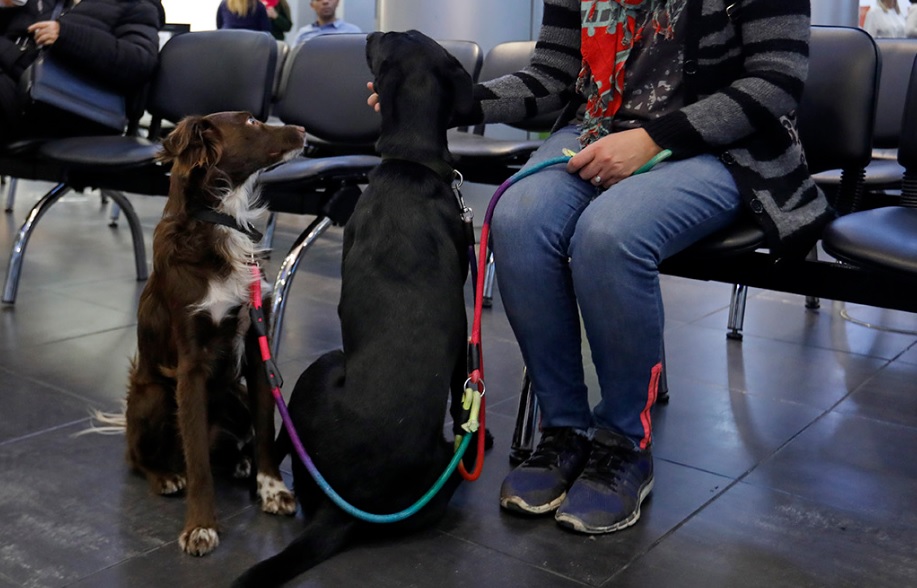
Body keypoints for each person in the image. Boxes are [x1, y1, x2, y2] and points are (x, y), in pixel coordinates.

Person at [368, 0, 830, 535]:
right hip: (599, 126)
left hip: (723, 148)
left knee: (609, 235)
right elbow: (552, 75)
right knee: (517, 219)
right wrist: (445, 101)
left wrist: (654, 138)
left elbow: (776, 82)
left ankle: (623, 444)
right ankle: (562, 431)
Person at [0, 0, 164, 142]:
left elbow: (138, 62)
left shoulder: (137, 5)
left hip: (67, 105)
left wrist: (66, 34)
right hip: (19, 86)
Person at [292, 0, 359, 46]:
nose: (325, 1)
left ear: (338, 2)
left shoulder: (353, 32)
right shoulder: (303, 34)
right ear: (312, 5)